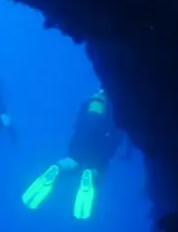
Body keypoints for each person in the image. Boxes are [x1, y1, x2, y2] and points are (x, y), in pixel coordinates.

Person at [22, 89, 123, 220]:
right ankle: (90, 174)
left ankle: (58, 167)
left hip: (80, 138)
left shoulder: (91, 102)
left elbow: (78, 123)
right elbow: (118, 134)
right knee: (97, 168)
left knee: (73, 161)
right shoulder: (115, 107)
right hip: (100, 141)